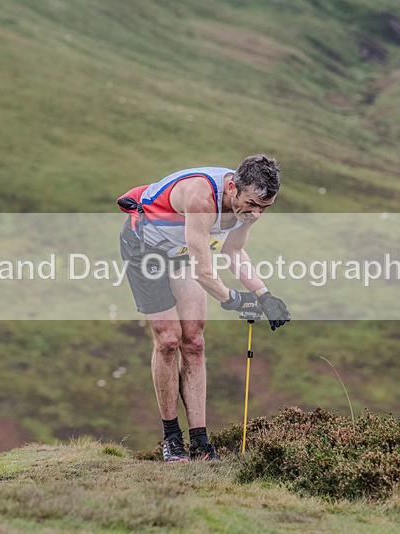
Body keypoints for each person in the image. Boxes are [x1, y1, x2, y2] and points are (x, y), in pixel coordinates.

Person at [117, 154, 291, 462]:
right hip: (146, 250)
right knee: (169, 339)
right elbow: (205, 274)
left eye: (265, 207)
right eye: (252, 204)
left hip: (181, 252)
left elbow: (234, 250)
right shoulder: (202, 197)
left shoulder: (244, 208)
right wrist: (234, 299)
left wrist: (264, 295)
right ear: (233, 187)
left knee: (194, 342)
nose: (256, 214)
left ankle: (200, 442)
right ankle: (172, 438)